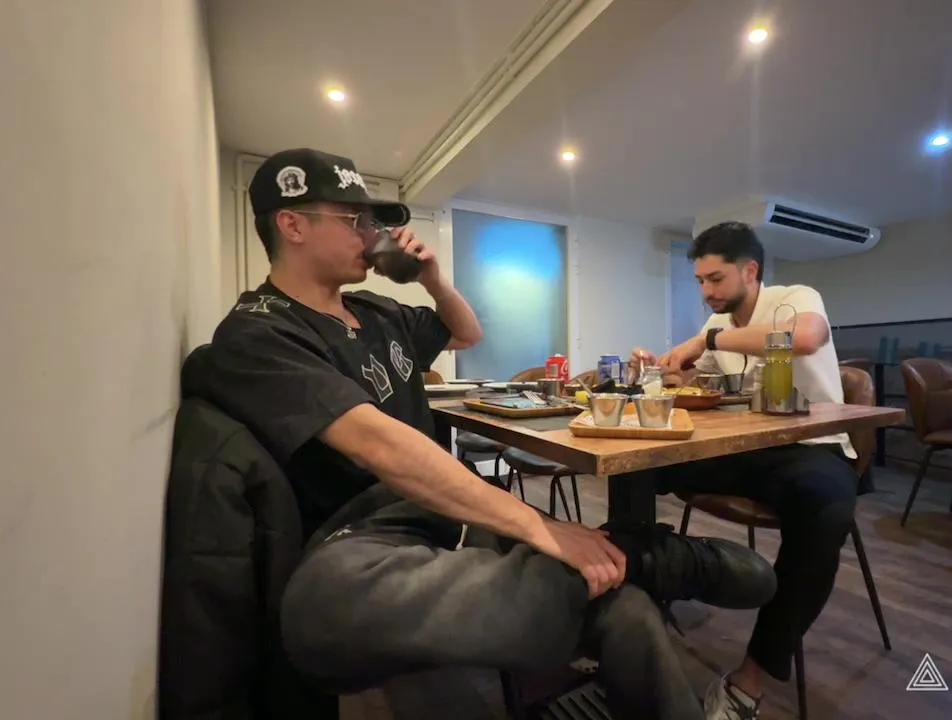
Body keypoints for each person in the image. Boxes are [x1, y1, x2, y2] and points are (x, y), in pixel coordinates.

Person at [185, 148, 779, 719]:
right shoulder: (260, 332)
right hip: (362, 534)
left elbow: (466, 333)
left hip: (450, 510)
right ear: (292, 224)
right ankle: (642, 557)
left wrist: (433, 279)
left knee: (605, 599)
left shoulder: (377, 310)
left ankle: (618, 563)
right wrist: (540, 526)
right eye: (353, 220)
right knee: (320, 610)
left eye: (371, 221)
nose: (369, 234)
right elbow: (378, 444)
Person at [629, 221, 860, 720]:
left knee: (827, 510)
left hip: (809, 446)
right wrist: (662, 370)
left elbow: (807, 338)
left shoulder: (794, 298)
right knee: (638, 465)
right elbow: (696, 383)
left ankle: (749, 681)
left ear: (750, 271)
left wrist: (709, 339)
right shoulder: (720, 324)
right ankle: (636, 597)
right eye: (700, 281)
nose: (706, 291)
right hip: (741, 449)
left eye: (715, 279)